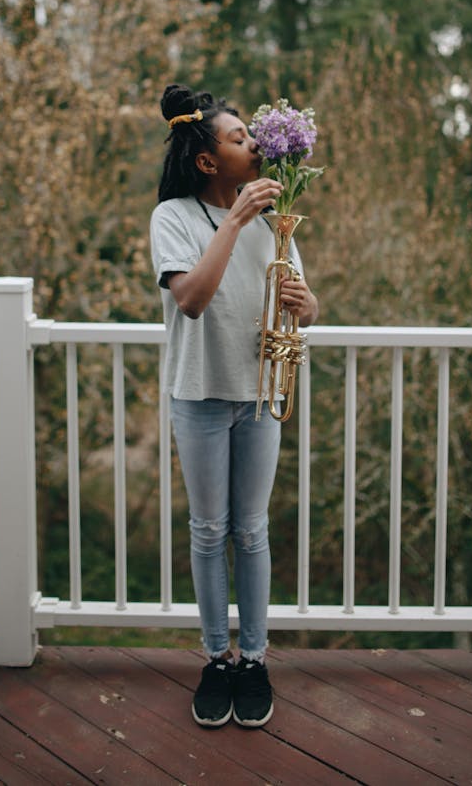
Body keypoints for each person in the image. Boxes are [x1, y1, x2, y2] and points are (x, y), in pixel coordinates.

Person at [149, 83, 319, 729]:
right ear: (207, 161)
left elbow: (303, 304)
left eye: (254, 136)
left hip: (257, 396)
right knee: (208, 529)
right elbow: (190, 297)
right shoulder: (173, 216)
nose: (256, 146)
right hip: (197, 395)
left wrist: (310, 307)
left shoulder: (278, 219)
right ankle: (215, 657)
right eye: (241, 138)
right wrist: (239, 220)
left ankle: (254, 658)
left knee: (251, 531)